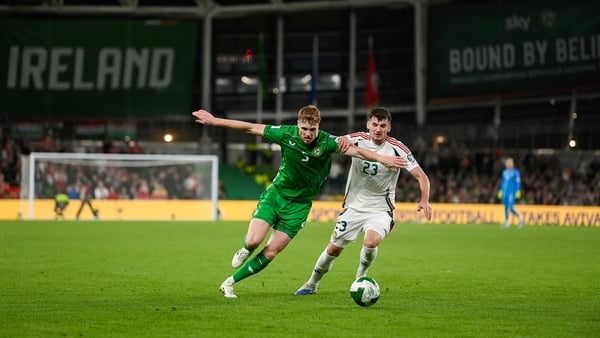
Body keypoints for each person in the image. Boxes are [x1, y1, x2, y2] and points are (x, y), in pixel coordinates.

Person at [192, 105, 407, 298]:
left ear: (318, 126)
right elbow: (249, 127)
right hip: (276, 196)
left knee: (271, 251)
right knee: (253, 241)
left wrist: (383, 158)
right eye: (304, 129)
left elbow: (358, 151)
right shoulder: (286, 134)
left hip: (300, 207)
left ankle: (230, 283)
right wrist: (214, 121)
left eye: (311, 130)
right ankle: (246, 249)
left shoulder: (327, 142)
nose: (307, 134)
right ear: (298, 125)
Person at [295, 107, 433, 296]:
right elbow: (333, 142)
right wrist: (339, 140)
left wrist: (424, 200)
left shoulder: (398, 148)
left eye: (382, 125)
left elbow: (422, 176)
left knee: (371, 241)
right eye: (374, 124)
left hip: (380, 209)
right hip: (353, 207)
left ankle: (361, 276)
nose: (378, 129)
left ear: (389, 127)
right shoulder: (357, 138)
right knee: (333, 249)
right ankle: (312, 283)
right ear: (368, 124)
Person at [497, 157, 524, 228]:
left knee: (509, 206)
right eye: (507, 163)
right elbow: (503, 182)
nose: (508, 165)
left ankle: (507, 222)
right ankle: (520, 219)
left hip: (512, 192)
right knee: (507, 207)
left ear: (512, 164)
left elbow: (518, 182)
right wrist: (501, 190)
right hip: (505, 192)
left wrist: (518, 190)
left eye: (509, 163)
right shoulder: (504, 172)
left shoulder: (516, 172)